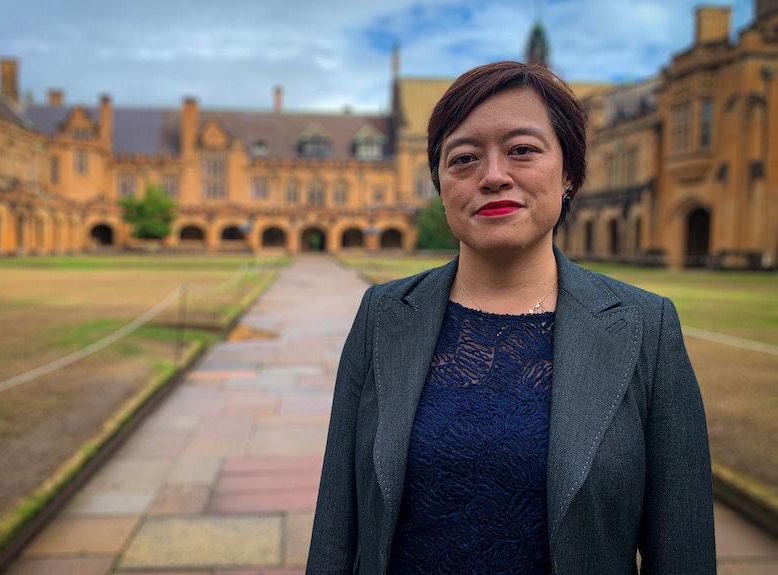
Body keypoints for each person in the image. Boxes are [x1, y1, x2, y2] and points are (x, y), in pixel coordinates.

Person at [306, 61, 716, 574]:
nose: (494, 175)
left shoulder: (646, 327)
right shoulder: (383, 315)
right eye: (464, 158)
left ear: (569, 171)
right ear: (439, 182)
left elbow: (683, 548)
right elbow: (334, 530)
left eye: (522, 150)